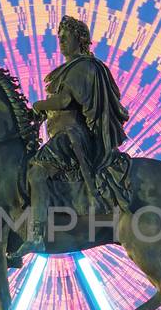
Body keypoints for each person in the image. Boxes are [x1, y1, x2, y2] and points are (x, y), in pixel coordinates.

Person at [25, 15, 129, 251]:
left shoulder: (83, 67)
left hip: (73, 135)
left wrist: (39, 105)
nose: (61, 42)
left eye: (65, 37)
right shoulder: (73, 67)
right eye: (59, 38)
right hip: (64, 134)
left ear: (79, 40)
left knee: (37, 173)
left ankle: (36, 235)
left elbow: (63, 100)